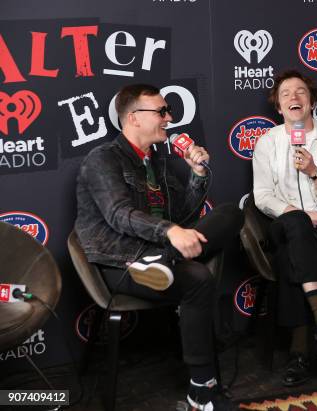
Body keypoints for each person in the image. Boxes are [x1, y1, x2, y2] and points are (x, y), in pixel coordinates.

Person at [75, 84, 244, 411]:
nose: (170, 117)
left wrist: (196, 174)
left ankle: (166, 261)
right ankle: (202, 392)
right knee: (197, 279)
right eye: (162, 112)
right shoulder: (102, 159)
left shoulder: (158, 163)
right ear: (134, 118)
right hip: (122, 262)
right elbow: (117, 214)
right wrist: (170, 231)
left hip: (160, 256)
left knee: (230, 213)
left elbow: (184, 215)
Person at [252, 70, 317, 386]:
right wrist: (298, 213)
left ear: (311, 102)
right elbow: (262, 195)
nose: (294, 98)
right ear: (279, 108)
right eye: (286, 94)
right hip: (284, 224)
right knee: (294, 224)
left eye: (300, 92)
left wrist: (314, 172)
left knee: (288, 257)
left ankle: (298, 353)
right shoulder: (268, 142)